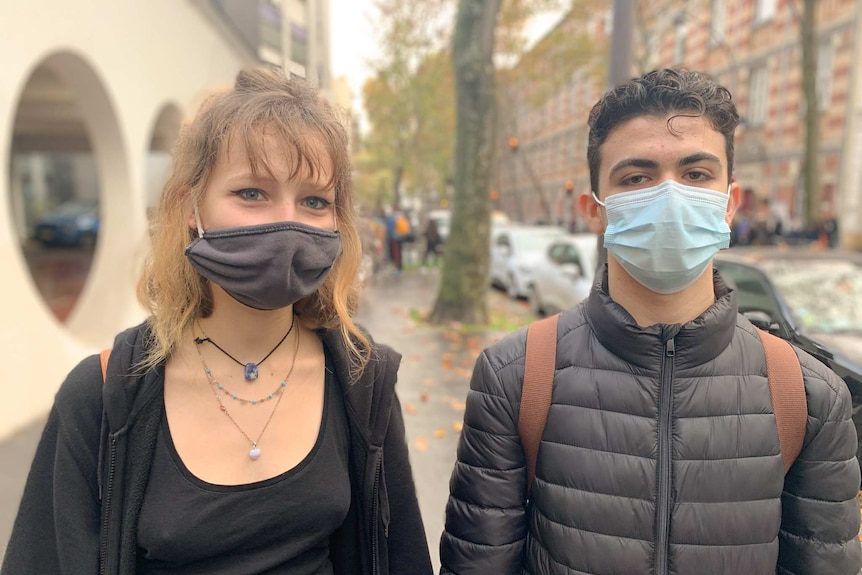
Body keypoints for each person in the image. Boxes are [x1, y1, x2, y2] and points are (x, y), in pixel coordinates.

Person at [2, 67, 432, 575]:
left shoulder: (365, 385)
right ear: (190, 206)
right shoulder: (100, 398)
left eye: (315, 201)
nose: (287, 223)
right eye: (252, 193)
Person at [440, 69, 861, 574]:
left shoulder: (809, 396)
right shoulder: (515, 376)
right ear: (593, 210)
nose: (670, 196)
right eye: (636, 178)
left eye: (696, 174)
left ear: (730, 202)